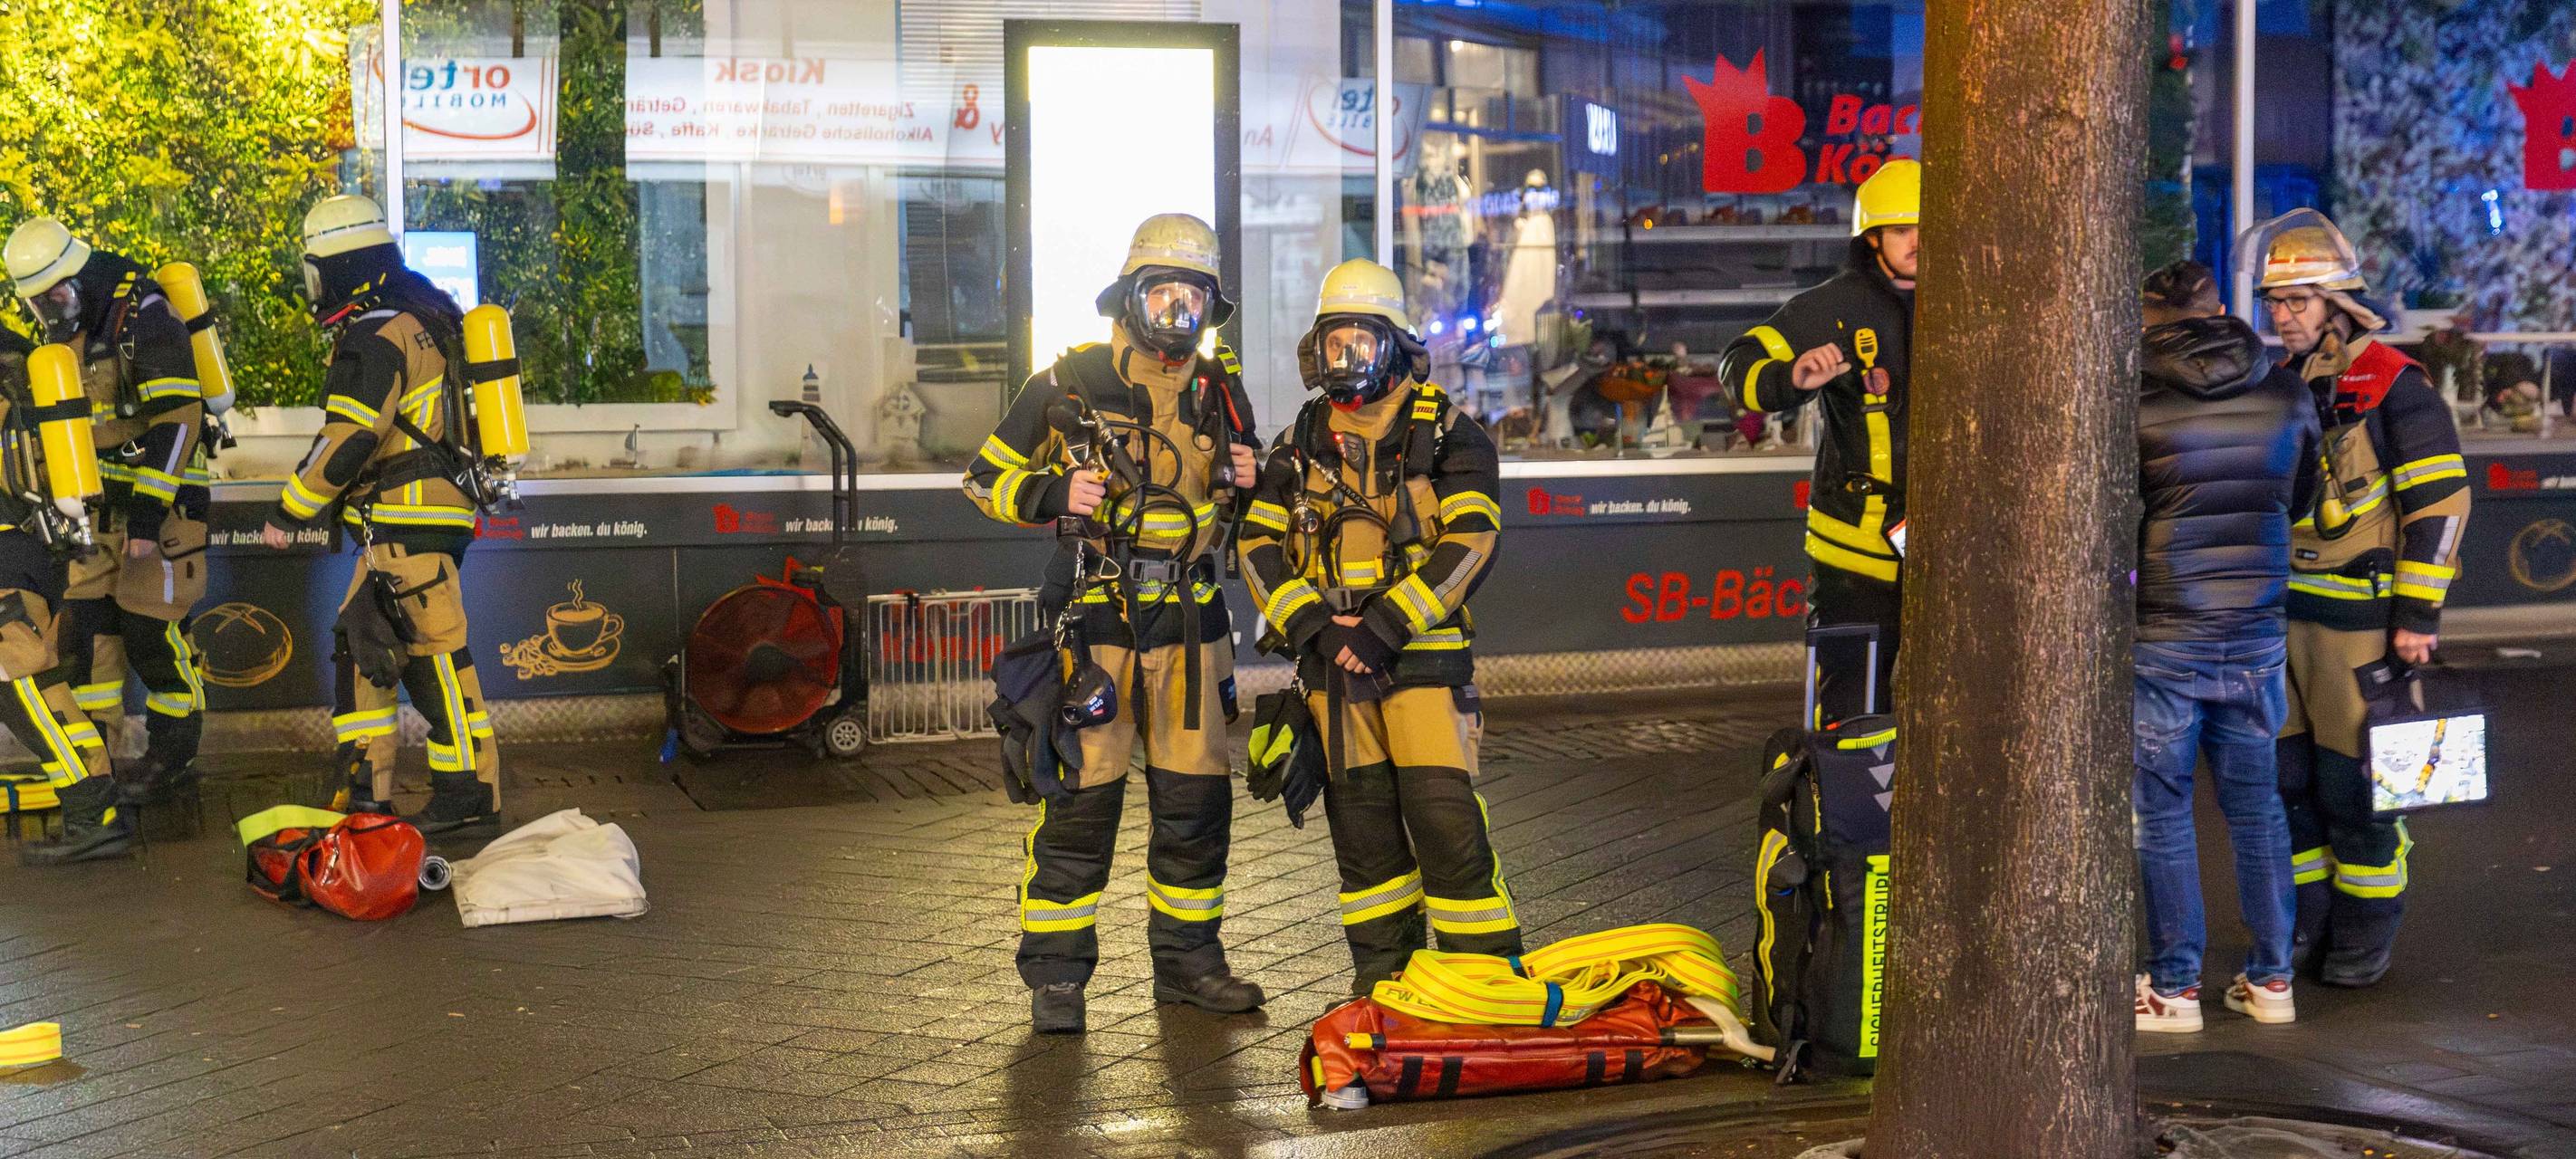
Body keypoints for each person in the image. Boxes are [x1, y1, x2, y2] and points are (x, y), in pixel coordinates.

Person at [962, 214, 1263, 1033]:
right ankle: (1057, 978)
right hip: (1098, 621)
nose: (1177, 312)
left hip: (1193, 626)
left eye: (1192, 297)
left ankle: (1190, 967)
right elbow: (983, 479)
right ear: (1129, 297)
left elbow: (1252, 503)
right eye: (1163, 294)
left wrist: (1254, 474)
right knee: (1080, 804)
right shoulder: (1067, 382)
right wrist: (1051, 494)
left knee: (1196, 807)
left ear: (1210, 306)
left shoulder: (1220, 389)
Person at [1236, 259, 1521, 992]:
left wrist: (1384, 626)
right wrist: (1315, 628)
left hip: (1421, 662)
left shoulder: (1451, 436)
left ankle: (1483, 985)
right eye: (1334, 343)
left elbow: (1472, 544)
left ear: (1395, 345)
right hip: (1332, 669)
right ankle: (1383, 984)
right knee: (1362, 838)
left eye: (1360, 342)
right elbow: (1257, 544)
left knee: (1446, 825)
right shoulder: (1298, 442)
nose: (1346, 359)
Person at [2245, 209, 2470, 988]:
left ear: (2339, 303)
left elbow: (2442, 505)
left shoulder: (2397, 386)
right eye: (2275, 302)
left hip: (2361, 629)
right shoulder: (2286, 382)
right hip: (2285, 620)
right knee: (2289, 784)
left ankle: (2365, 931)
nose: (2283, 315)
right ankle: (2308, 921)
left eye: (2298, 300)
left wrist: (2417, 617)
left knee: (2359, 790)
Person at [256, 193, 502, 835]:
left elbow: (350, 437)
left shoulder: (375, 334)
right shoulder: (427, 317)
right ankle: (366, 793)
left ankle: (470, 796)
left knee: (435, 661)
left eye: (318, 272)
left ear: (344, 268)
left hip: (405, 521)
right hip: (416, 519)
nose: (316, 288)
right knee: (363, 648)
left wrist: (290, 510)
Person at [2128, 261, 2320, 1033]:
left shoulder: (2135, 400)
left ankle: (2175, 990)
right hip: (2256, 631)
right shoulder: (2286, 392)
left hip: (2167, 631)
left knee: (2165, 813)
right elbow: (2300, 497)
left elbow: (2119, 515)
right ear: (2220, 310)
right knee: (2257, 808)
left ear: (2150, 318)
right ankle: (2272, 981)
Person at [2, 218, 209, 803]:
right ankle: (101, 765)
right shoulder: (69, 332)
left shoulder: (147, 315)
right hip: (93, 515)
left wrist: (146, 518)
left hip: (162, 513)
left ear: (79, 275)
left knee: (152, 637)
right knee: (86, 637)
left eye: (55, 295)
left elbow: (180, 422)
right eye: (37, 302)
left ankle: (172, 756)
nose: (49, 309)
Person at [1719, 159, 1920, 720]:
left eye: (1927, 228)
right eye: (1902, 230)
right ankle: (1839, 777)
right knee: (1851, 708)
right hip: (1856, 549)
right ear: (1872, 237)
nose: (1918, 243)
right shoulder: (1839, 305)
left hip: (1947, 544)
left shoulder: (1967, 301)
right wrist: (1792, 377)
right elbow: (1738, 365)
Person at [0, 320, 129, 864]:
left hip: (8, 559)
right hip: (36, 553)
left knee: (24, 688)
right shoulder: (26, 386)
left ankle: (90, 813)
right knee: (46, 687)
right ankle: (99, 810)